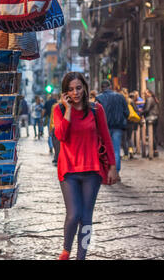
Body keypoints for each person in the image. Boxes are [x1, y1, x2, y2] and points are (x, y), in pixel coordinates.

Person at [54, 72, 118, 260]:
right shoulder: (58, 109)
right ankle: (66, 250)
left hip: (92, 171)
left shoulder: (97, 110)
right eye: (71, 89)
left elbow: (106, 138)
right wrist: (67, 110)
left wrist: (112, 166)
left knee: (86, 217)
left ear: (85, 88)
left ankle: (81, 256)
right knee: (74, 214)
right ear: (65, 92)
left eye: (79, 88)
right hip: (68, 170)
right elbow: (61, 136)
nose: (75, 92)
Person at [95, 80, 129, 177]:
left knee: (105, 149)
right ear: (110, 86)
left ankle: (107, 170)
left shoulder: (99, 98)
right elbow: (126, 112)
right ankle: (116, 172)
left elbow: (95, 113)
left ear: (102, 87)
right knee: (116, 149)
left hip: (104, 127)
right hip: (117, 127)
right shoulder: (120, 97)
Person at [142, 88, 160, 157]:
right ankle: (155, 151)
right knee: (154, 134)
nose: (145, 94)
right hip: (155, 117)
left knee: (151, 135)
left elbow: (147, 109)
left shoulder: (149, 99)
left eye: (146, 93)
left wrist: (140, 113)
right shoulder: (154, 99)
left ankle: (151, 151)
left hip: (150, 117)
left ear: (149, 93)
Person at [49, 101, 60, 166]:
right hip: (56, 127)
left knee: (56, 145)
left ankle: (57, 157)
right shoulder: (56, 106)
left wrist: (50, 128)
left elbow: (52, 118)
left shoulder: (55, 106)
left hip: (55, 127)